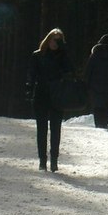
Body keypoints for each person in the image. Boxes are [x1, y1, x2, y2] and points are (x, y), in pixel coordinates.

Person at [26, 27, 74, 171]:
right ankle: (42, 160)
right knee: (41, 129)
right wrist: (29, 89)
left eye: (59, 41)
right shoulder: (38, 55)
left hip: (57, 96)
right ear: (48, 39)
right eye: (54, 39)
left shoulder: (63, 57)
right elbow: (31, 74)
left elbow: (71, 72)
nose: (55, 43)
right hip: (41, 94)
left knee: (56, 129)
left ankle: (54, 160)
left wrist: (64, 52)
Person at [83, 34, 108, 129]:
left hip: (95, 88)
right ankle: (104, 124)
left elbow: (88, 72)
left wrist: (86, 86)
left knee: (97, 108)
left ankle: (99, 125)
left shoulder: (95, 55)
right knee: (106, 108)